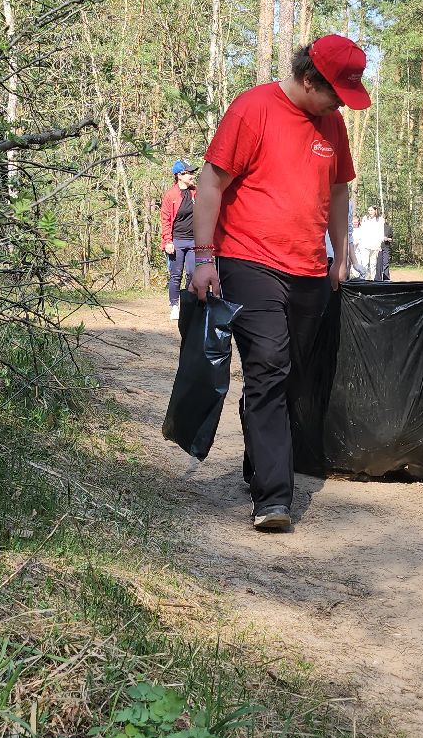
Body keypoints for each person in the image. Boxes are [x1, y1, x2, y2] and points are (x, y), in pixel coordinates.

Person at [187, 34, 370, 532]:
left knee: (291, 375)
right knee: (268, 364)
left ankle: (258, 463)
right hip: (248, 259)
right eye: (335, 92)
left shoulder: (331, 124)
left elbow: (337, 193)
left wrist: (341, 253)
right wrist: (204, 258)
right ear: (310, 78)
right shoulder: (253, 109)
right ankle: (273, 498)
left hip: (309, 267)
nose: (340, 105)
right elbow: (210, 184)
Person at [160, 160, 200, 320]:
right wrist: (167, 241)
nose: (192, 175)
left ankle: (188, 304)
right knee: (176, 275)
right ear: (179, 175)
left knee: (192, 273)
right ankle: (174, 306)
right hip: (176, 241)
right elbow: (165, 219)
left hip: (193, 241)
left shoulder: (196, 192)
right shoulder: (171, 195)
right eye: (189, 173)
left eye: (192, 172)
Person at [351, 205, 386, 280]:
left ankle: (372, 280)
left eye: (371, 210)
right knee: (365, 263)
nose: (370, 212)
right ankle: (363, 280)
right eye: (369, 210)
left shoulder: (380, 220)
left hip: (375, 245)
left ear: (375, 211)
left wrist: (380, 244)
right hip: (365, 245)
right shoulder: (365, 219)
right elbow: (363, 231)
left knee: (373, 264)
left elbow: (381, 232)